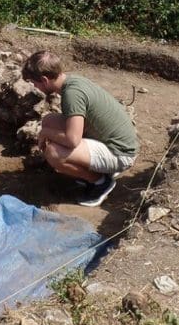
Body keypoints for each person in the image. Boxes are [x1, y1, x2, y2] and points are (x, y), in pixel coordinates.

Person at [21, 50, 139, 207]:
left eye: (35, 83)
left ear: (44, 79)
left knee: (53, 153)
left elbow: (73, 140)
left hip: (121, 153)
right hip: (115, 141)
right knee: (49, 120)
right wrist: (48, 129)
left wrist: (45, 133)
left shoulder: (72, 94)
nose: (36, 87)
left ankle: (100, 182)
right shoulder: (72, 81)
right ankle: (93, 170)